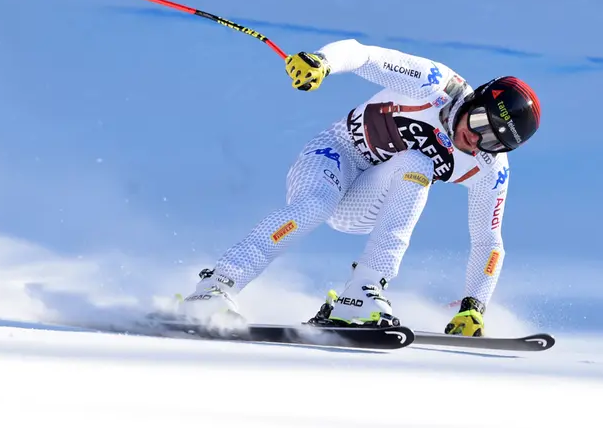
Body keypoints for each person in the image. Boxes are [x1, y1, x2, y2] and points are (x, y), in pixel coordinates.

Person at [178, 39, 541, 337]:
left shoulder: (489, 168)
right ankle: (217, 286)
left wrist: (473, 306)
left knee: (417, 163)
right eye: (481, 122)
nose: (477, 139)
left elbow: (488, 241)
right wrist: (322, 62)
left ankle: (362, 292)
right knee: (316, 204)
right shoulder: (432, 84)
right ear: (475, 99)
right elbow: (362, 54)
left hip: (368, 201)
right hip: (332, 156)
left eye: (495, 141)